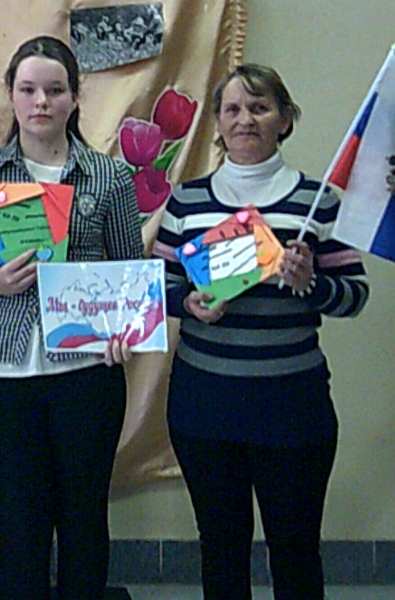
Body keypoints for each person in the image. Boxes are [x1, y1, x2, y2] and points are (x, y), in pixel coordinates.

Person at [154, 64, 367, 598]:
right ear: (218, 123)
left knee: (295, 551)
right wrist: (188, 303)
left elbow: (355, 295)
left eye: (259, 107)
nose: (245, 119)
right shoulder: (187, 200)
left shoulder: (318, 201)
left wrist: (311, 282)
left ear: (285, 119)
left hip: (292, 404)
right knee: (221, 549)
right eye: (232, 109)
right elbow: (157, 287)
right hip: (205, 404)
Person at [0, 35, 143, 598]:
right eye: (28, 89)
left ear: (75, 97)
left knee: (84, 516)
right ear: (10, 95)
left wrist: (124, 328)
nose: (41, 102)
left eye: (55, 90)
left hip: (86, 368)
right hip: (2, 370)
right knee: (16, 518)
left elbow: (130, 273)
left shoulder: (108, 177)